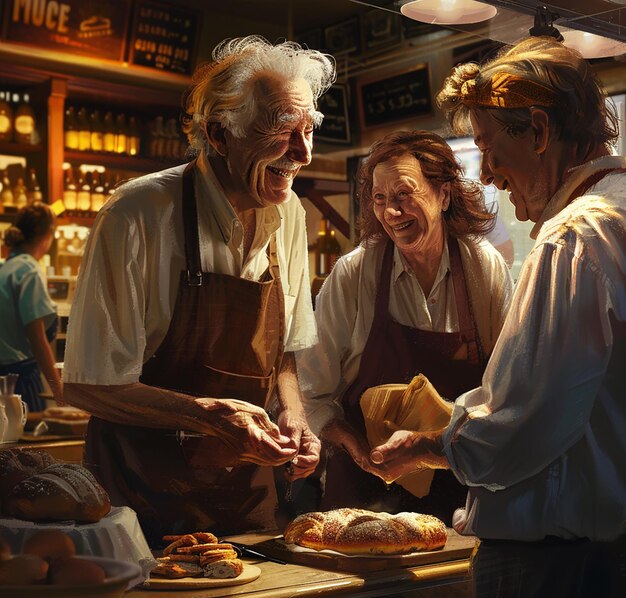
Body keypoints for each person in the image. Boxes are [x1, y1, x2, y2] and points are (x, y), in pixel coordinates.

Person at [370, 36, 626, 598]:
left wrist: (434, 446)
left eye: (489, 148)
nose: (488, 174)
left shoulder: (576, 238)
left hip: (553, 569)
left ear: (538, 132)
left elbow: (525, 420)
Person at [63, 36, 335, 543]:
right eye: (280, 129)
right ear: (218, 133)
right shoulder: (137, 214)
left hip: (249, 503)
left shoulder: (291, 214)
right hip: (142, 504)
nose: (302, 153)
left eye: (307, 130)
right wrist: (207, 414)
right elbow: (88, 383)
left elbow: (285, 359)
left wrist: (295, 415)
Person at [297, 130, 513, 524]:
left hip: (458, 495)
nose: (391, 212)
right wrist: (355, 447)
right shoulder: (355, 273)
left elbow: (508, 390)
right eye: (380, 199)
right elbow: (313, 391)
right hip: (363, 491)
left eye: (403, 195)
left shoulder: (483, 268)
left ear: (443, 195)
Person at [0, 202, 64, 411]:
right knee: (27, 441)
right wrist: (58, 390)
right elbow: (37, 339)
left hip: (2, 382)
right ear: (48, 236)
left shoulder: (4, 268)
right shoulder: (29, 271)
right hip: (20, 384)